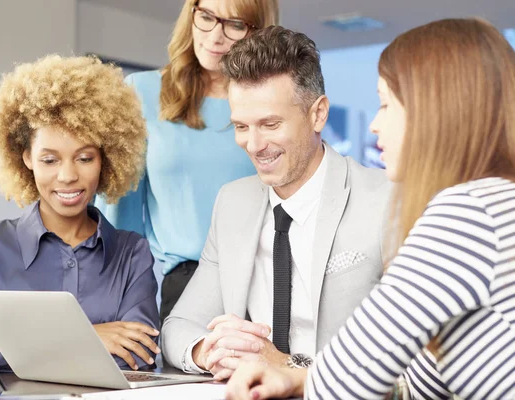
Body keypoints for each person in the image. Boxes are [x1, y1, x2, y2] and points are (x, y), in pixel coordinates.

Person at [226, 18, 515, 400]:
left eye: (385, 103)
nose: (375, 125)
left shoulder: (467, 215)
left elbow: (353, 375)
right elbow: (417, 385)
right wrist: (299, 379)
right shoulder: (498, 202)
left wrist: (299, 375)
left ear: (436, 111)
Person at [161, 26, 392, 379]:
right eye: (241, 126)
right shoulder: (232, 203)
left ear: (318, 114)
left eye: (269, 124)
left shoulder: (386, 201)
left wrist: (288, 366)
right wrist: (208, 351)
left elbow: (407, 358)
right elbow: (178, 326)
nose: (253, 145)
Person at [0, 55, 160, 372]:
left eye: (84, 158)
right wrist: (89, 336)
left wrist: (14, 341)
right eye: (50, 160)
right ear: (27, 158)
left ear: (105, 159)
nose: (67, 176)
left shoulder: (131, 253)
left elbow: (138, 355)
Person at [94, 0, 279, 329]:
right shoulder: (143, 92)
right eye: (206, 16)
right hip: (183, 284)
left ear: (257, 31)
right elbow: (120, 214)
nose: (215, 36)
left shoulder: (269, 103)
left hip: (265, 281)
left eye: (234, 25)